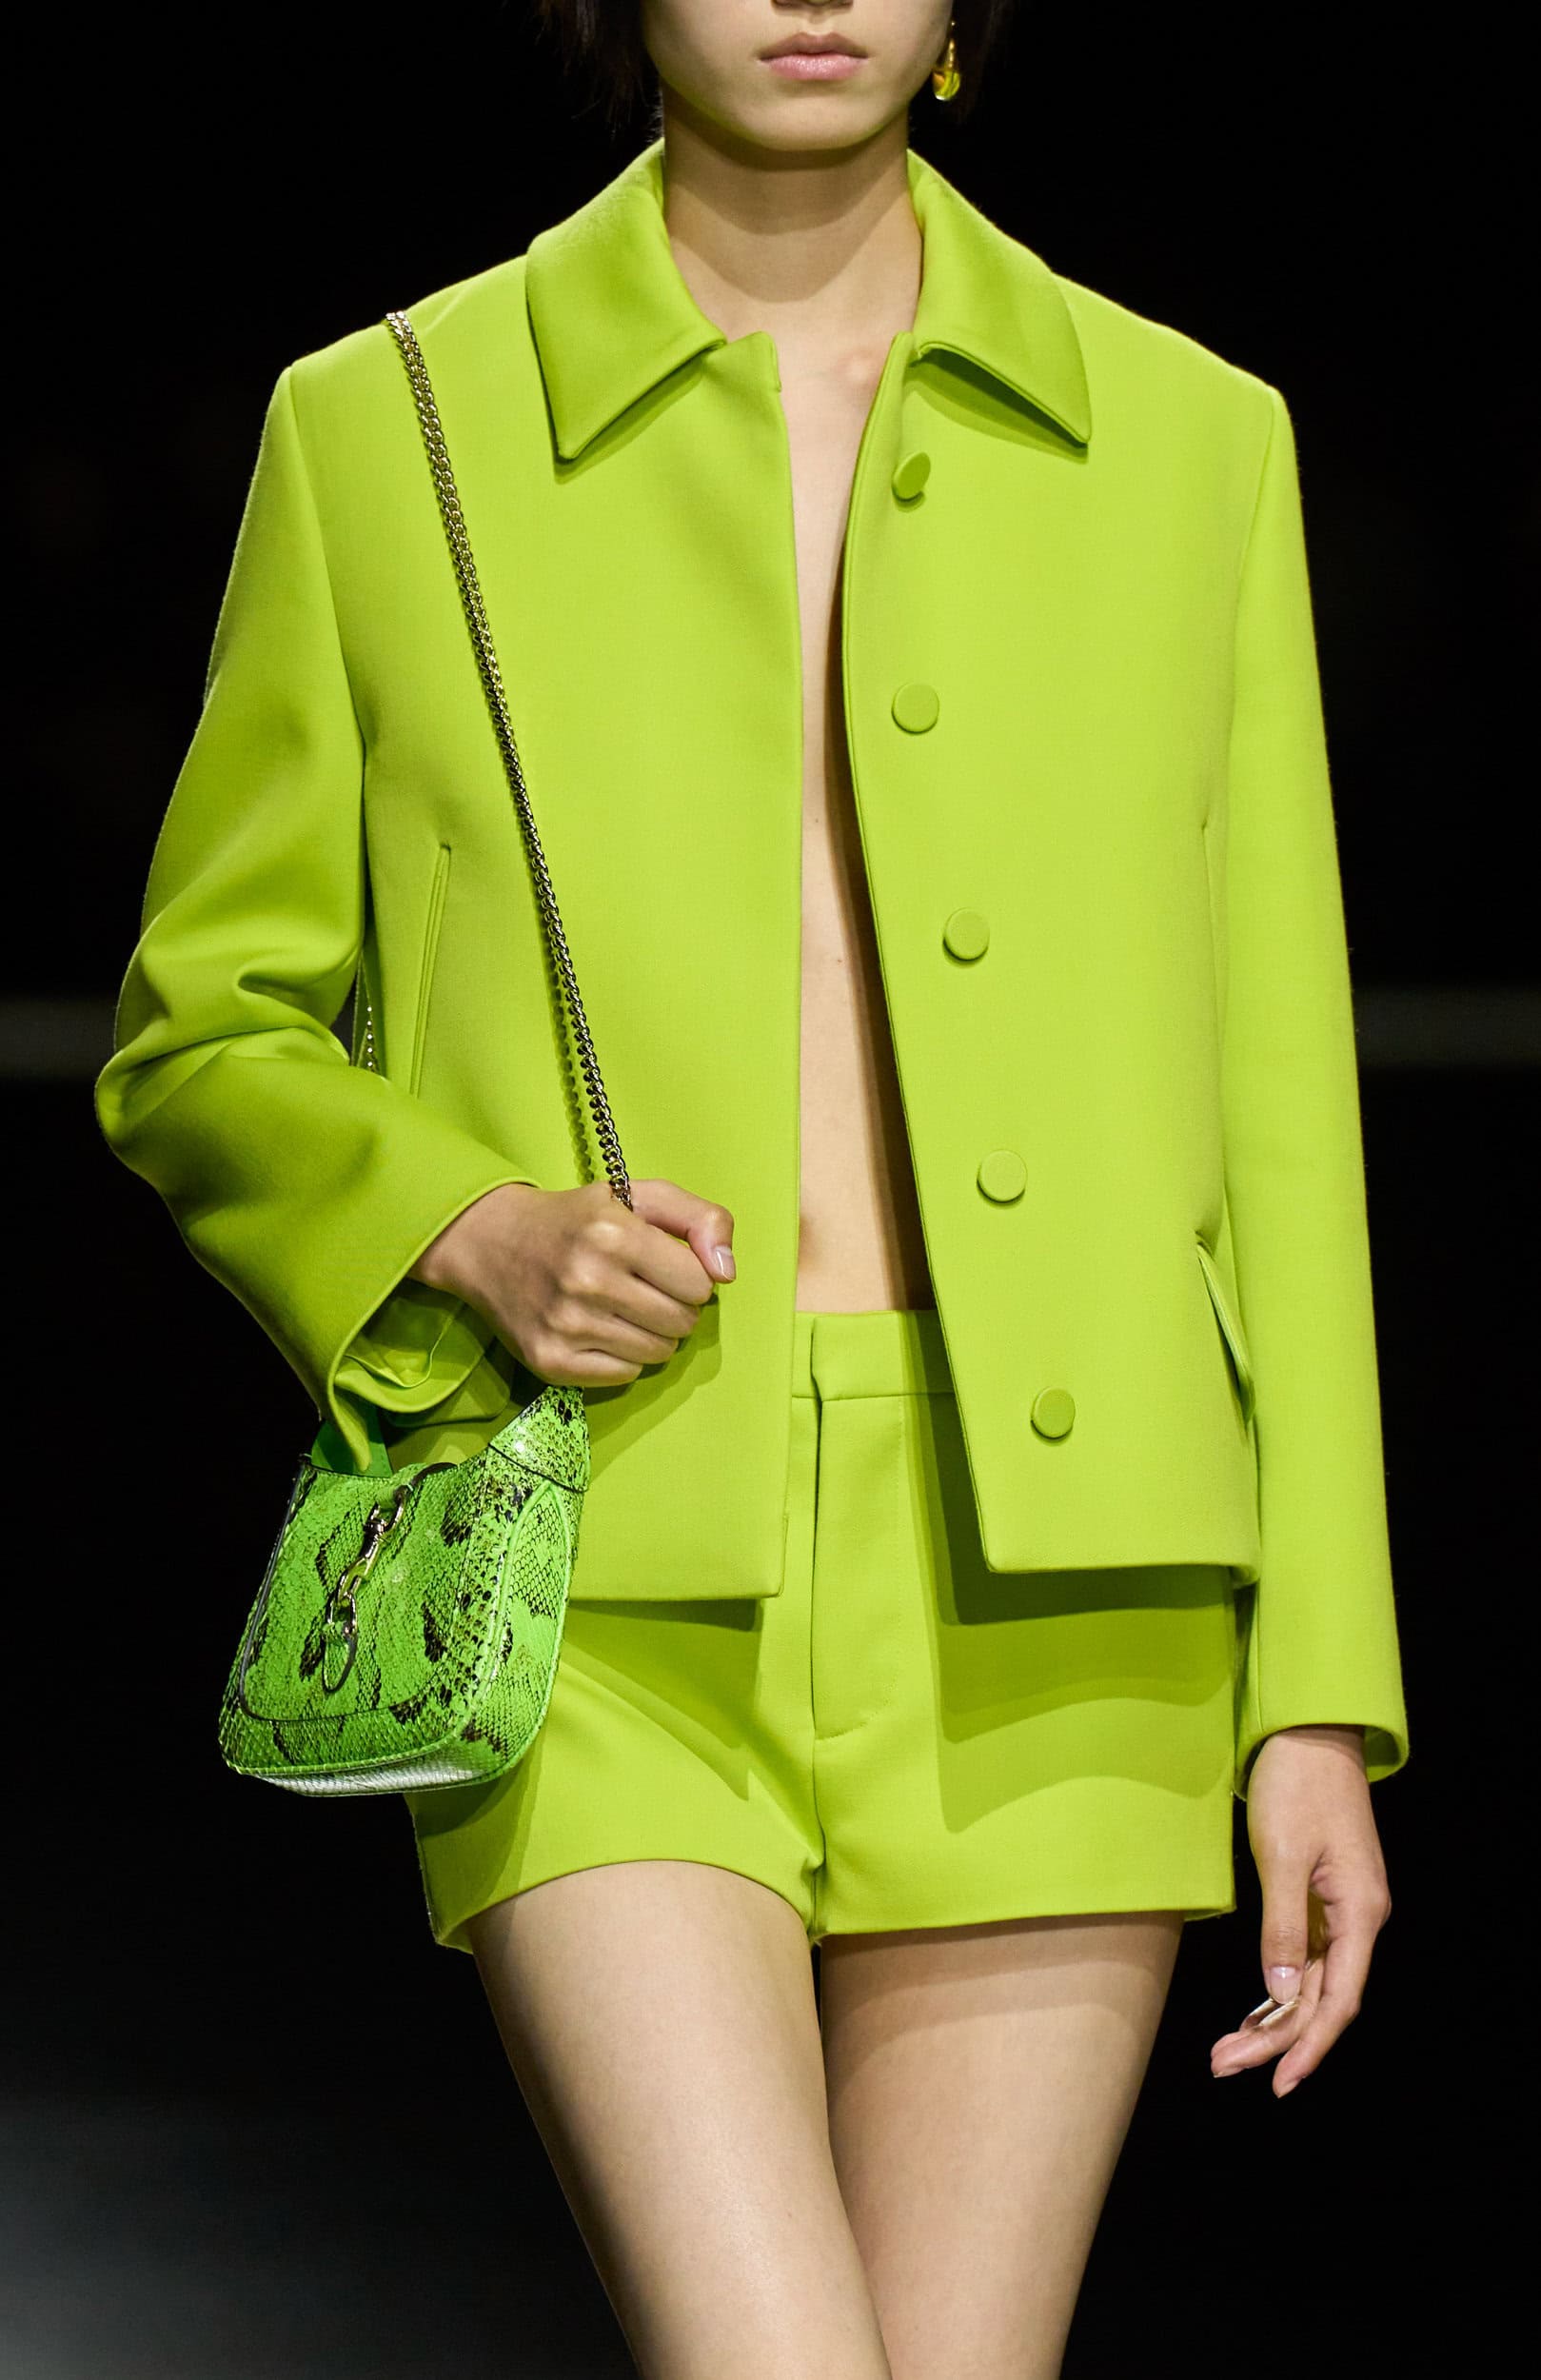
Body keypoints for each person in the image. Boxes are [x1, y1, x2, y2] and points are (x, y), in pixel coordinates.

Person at [96, 5, 1409, 2374]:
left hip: (1074, 1584)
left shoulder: (1194, 441)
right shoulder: (390, 425)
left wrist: (1320, 1685)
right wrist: (466, 1225)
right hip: (602, 1556)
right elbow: (203, 1026)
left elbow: (1279, 1105)